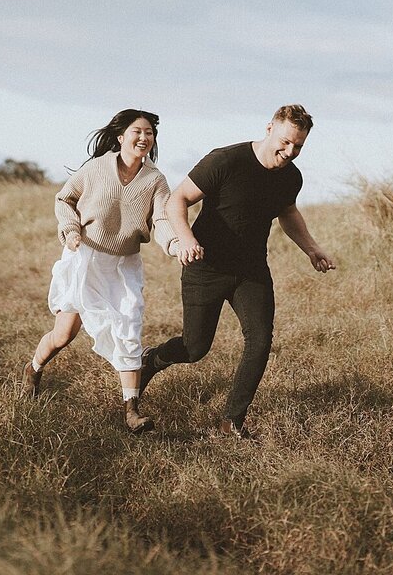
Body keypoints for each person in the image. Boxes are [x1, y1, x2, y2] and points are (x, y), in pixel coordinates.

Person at [139, 104, 335, 440]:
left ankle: (232, 421)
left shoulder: (291, 177)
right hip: (206, 266)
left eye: (298, 146)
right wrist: (185, 240)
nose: (290, 152)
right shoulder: (226, 160)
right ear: (270, 128)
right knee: (194, 348)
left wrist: (312, 248)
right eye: (286, 142)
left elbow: (287, 212)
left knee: (259, 340)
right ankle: (152, 360)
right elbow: (178, 199)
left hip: (251, 270)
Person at [22, 109, 176, 433]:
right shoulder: (96, 168)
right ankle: (33, 369)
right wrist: (71, 229)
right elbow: (65, 199)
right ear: (121, 137)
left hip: (123, 265)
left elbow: (161, 218)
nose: (144, 138)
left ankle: (132, 410)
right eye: (137, 131)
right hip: (86, 257)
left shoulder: (155, 180)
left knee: (128, 329)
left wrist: (172, 243)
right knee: (64, 334)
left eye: (149, 133)